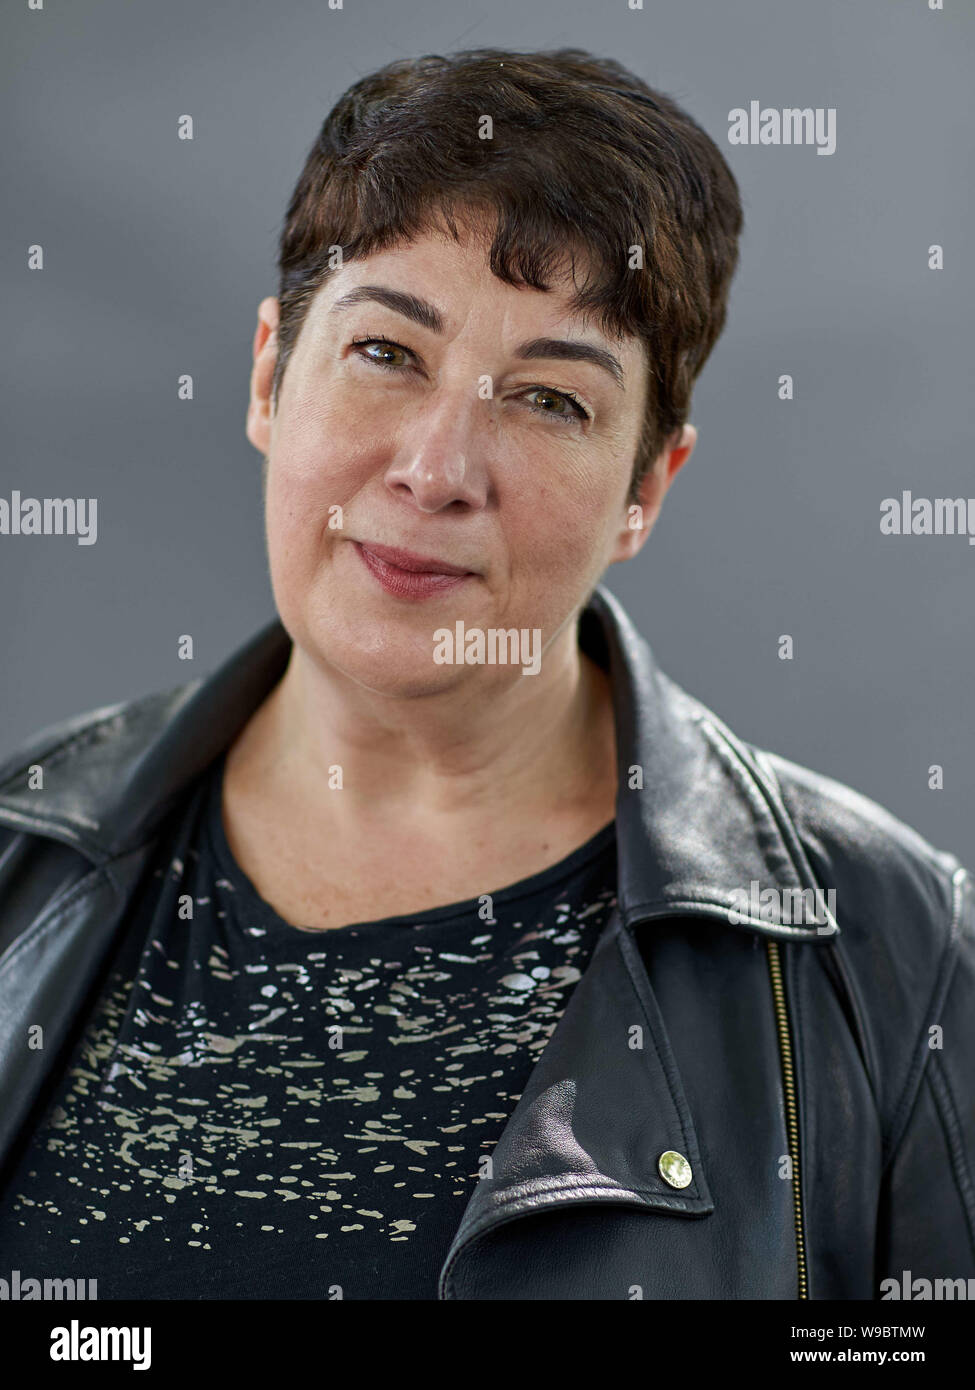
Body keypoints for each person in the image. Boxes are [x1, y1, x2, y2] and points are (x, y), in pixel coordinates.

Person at [0, 47, 971, 1302]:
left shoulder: (896, 956)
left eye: (551, 399)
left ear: (646, 490)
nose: (438, 467)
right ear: (266, 375)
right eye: (387, 354)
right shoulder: (20, 859)